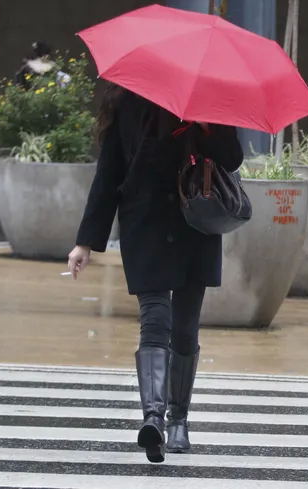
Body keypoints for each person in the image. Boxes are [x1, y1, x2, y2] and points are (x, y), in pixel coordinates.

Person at [67, 84, 243, 463]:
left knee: (184, 327)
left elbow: (232, 159)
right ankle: (153, 418)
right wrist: (85, 241)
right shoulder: (129, 104)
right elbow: (109, 173)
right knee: (154, 320)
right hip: (145, 224)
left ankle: (179, 419)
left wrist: (206, 129)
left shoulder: (209, 103)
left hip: (194, 225)